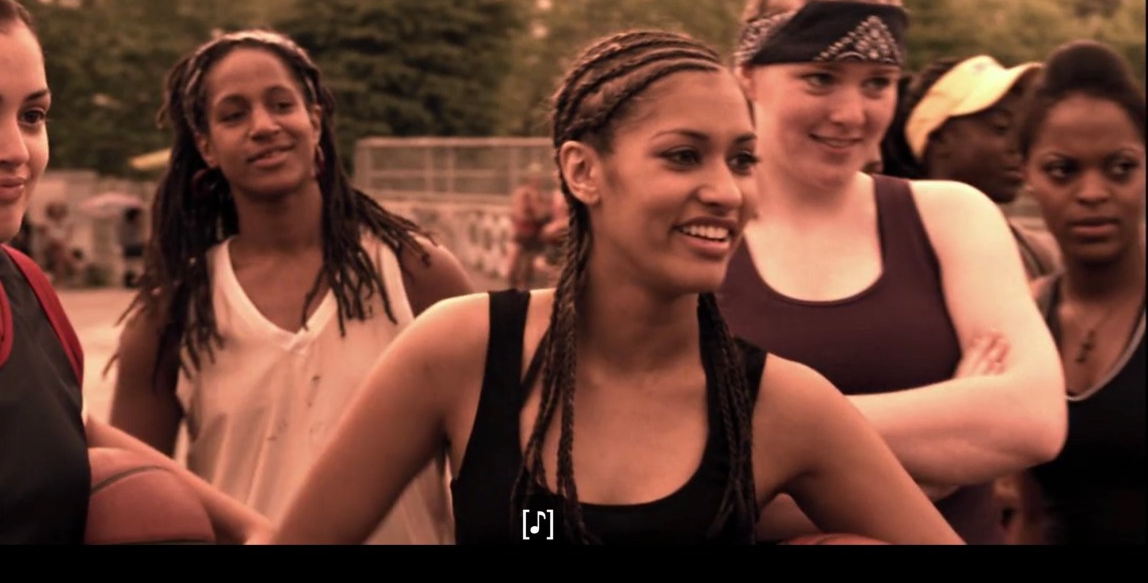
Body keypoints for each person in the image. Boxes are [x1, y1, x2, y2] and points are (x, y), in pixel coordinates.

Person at [271, 30, 962, 545]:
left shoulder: (782, 405)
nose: (725, 191)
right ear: (583, 170)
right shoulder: (463, 350)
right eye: (682, 155)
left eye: (742, 160)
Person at [717, 0, 1067, 545]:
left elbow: (1034, 421)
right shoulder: (701, 237)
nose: (851, 113)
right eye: (820, 78)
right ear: (747, 73)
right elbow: (671, 485)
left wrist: (779, 440)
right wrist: (936, 453)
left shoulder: (951, 218)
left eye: (877, 83)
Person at [0, 0, 268, 544]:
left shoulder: (26, 290)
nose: (16, 152)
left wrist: (249, 526)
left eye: (32, 116)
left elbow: (68, 423)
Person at [107, 29, 474, 543]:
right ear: (206, 145)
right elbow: (123, 501)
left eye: (281, 104)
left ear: (315, 121)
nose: (264, 126)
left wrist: (540, 537)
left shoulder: (418, 274)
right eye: (234, 114)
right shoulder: (174, 313)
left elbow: (516, 474)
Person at [1006, 40, 1145, 544]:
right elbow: (1031, 516)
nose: (1092, 193)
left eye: (1120, 168)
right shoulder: (1025, 316)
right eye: (1063, 170)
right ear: (1026, 174)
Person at [883, 54, 1060, 280]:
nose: (1020, 147)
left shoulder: (1036, 253)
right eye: (1001, 127)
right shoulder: (886, 248)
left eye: (1024, 131)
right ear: (940, 136)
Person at [505, 163, 551, 290]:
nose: (536, 180)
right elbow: (517, 214)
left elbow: (542, 215)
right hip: (521, 237)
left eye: (538, 177)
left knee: (526, 275)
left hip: (534, 239)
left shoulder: (541, 196)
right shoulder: (523, 194)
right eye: (533, 177)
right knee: (512, 271)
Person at [117, 206, 146, 288]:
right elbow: (132, 237)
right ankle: (131, 281)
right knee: (132, 265)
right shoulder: (127, 225)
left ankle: (133, 281)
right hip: (132, 246)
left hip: (131, 246)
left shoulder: (124, 224)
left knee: (132, 265)